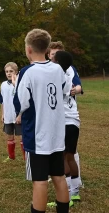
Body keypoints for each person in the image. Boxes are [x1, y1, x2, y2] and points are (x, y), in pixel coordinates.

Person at [13, 29, 70, 213]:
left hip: (38, 137)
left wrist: (16, 86)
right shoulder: (57, 69)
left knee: (39, 181)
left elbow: (20, 104)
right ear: (47, 48)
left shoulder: (27, 72)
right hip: (57, 135)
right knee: (59, 177)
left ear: (28, 49)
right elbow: (63, 92)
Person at [48, 42, 83, 203]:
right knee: (70, 156)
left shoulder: (57, 73)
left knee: (63, 158)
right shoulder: (70, 70)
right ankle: (75, 191)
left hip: (63, 120)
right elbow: (76, 88)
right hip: (74, 119)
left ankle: (67, 194)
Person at [0, 62, 24, 162]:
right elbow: (2, 101)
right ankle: (11, 156)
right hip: (8, 116)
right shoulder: (3, 85)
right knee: (9, 137)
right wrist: (3, 114)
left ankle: (26, 158)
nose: (9, 73)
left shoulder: (20, 84)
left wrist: (20, 115)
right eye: (7, 72)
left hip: (18, 116)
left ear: (16, 72)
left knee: (23, 138)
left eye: (11, 71)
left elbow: (23, 101)